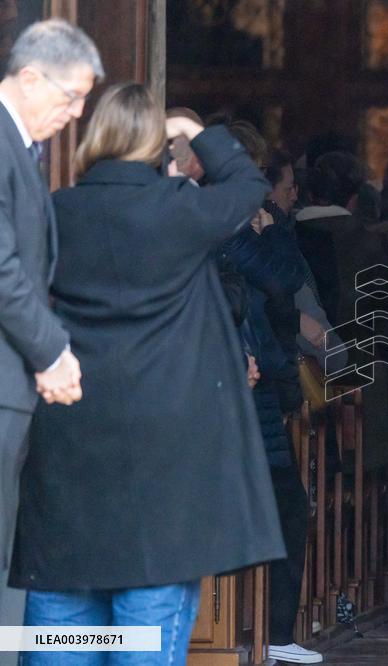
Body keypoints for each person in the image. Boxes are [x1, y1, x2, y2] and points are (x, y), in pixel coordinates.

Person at [10, 83, 285, 663]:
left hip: (70, 439)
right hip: (165, 458)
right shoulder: (181, 210)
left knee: (61, 622)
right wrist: (193, 131)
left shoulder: (54, 211)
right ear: (155, 145)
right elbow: (248, 185)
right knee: (144, 631)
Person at [0, 19, 101, 654]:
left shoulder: (22, 146)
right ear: (30, 76)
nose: (77, 113)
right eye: (71, 97)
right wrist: (51, 350)